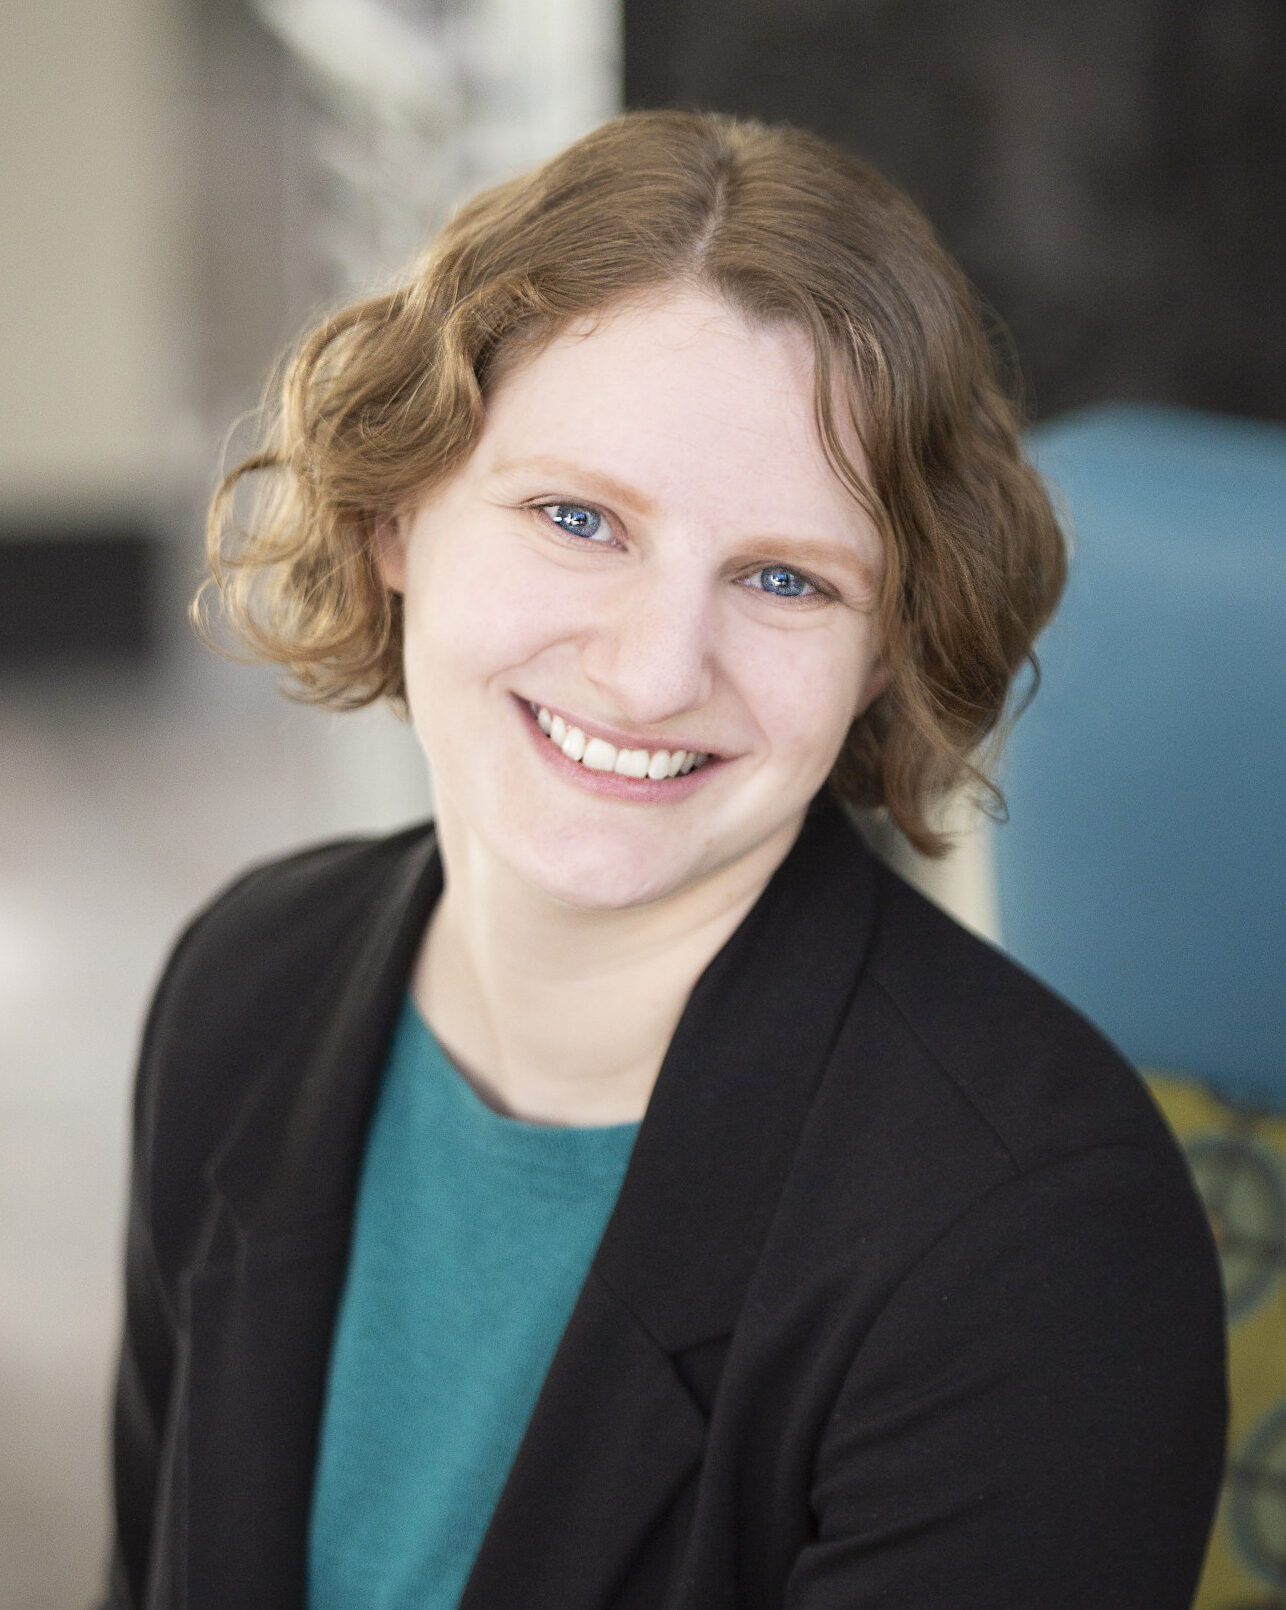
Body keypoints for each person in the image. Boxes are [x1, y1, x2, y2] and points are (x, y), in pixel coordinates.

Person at [106, 110, 1226, 1610]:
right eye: (577, 519)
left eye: (783, 577)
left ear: (885, 648)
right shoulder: (244, 986)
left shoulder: (1037, 1244)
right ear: (395, 511)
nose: (648, 674)